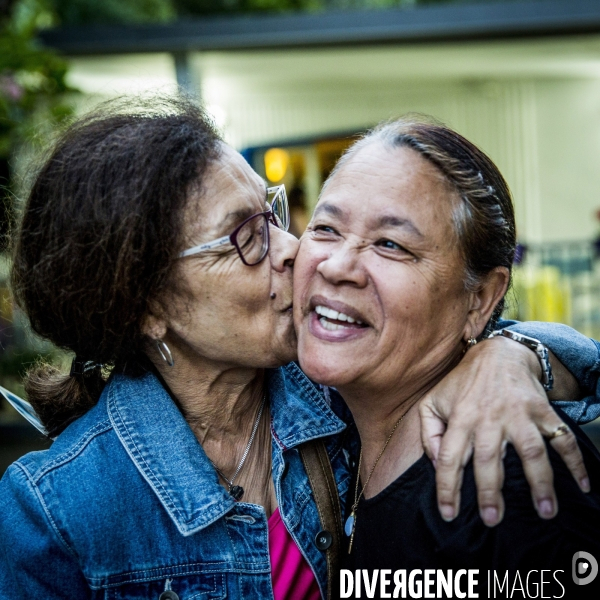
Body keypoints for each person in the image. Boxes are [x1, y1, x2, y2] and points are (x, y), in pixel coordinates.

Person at [0, 97, 597, 599]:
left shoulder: (339, 396)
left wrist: (513, 354)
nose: (293, 249)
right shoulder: (60, 508)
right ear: (147, 306)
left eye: (276, 214)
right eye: (245, 238)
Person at [293, 117, 600, 597]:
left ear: (478, 299)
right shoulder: (321, 430)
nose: (336, 266)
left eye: (390, 244)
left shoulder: (508, 480)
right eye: (327, 228)